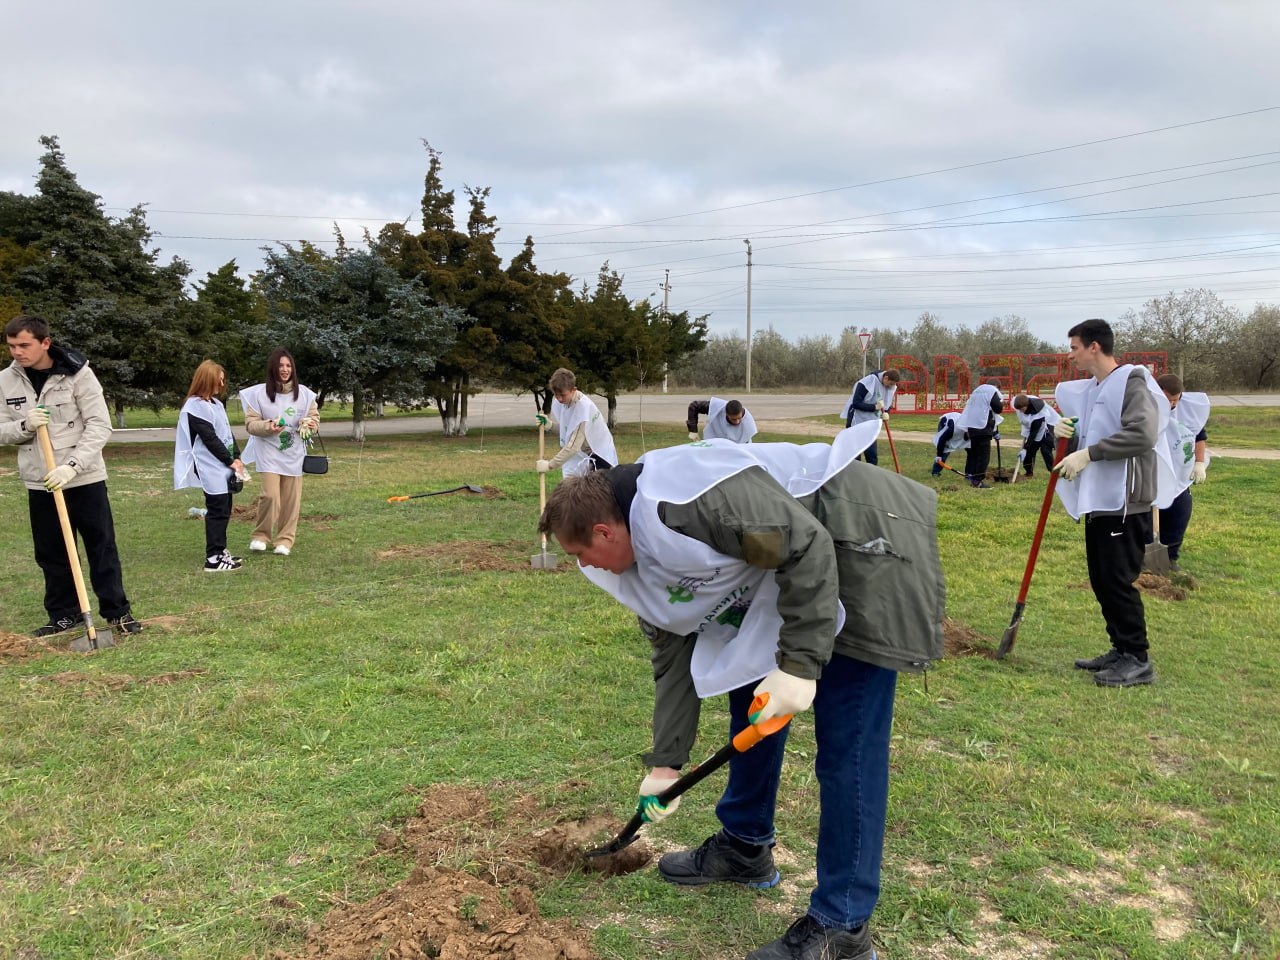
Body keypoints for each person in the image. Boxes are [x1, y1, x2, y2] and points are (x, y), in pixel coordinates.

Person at [539, 424, 944, 960]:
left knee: (849, 743)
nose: (583, 566)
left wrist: (799, 667)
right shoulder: (638, 542)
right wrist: (665, 764)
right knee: (747, 693)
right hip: (786, 565)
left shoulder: (688, 502)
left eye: (581, 553)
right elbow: (672, 648)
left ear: (605, 531)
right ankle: (745, 845)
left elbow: (806, 546)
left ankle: (843, 927)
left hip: (858, 542)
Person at [1, 315, 142, 637]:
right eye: (12, 346)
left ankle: (117, 612)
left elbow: (99, 425)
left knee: (101, 546)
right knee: (51, 552)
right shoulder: (5, 381)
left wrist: (72, 466)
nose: (17, 352)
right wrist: (24, 426)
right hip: (41, 481)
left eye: (24, 345)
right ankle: (64, 614)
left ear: (45, 343)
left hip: (83, 477)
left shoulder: (79, 374)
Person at [1053, 319, 1174, 688]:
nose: (1070, 354)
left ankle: (1138, 658)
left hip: (1125, 499)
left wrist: (1090, 454)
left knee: (1118, 580)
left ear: (1094, 347)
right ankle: (1120, 649)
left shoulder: (1131, 381)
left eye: (1074, 347)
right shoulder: (1092, 388)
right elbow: (1091, 434)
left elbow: (1142, 434)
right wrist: (1067, 437)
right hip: (1099, 499)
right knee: (1102, 578)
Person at [238, 349, 319, 557]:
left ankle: (285, 539)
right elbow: (250, 424)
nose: (285, 370)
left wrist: (308, 424)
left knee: (291, 499)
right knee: (270, 495)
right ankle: (261, 535)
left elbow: (314, 420)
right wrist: (268, 426)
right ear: (273, 368)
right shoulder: (259, 395)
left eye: (288, 366)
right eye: (281, 366)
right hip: (268, 453)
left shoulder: (305, 395)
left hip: (293, 453)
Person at [174, 360, 247, 572]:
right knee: (217, 509)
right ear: (207, 379)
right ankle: (213, 558)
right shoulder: (194, 407)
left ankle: (221, 549)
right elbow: (209, 438)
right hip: (209, 465)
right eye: (218, 379)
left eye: (223, 380)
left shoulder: (215, 404)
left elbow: (226, 432)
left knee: (225, 508)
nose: (221, 384)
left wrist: (237, 456)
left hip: (223, 464)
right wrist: (229, 460)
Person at [1151, 373, 1210, 571]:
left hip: (1179, 472)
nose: (1173, 404)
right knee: (1147, 517)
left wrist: (1199, 463)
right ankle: (1143, 559)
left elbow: (1198, 436)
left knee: (1180, 512)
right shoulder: (1145, 406)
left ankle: (1170, 559)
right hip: (1152, 471)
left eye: (1176, 400)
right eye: (1169, 400)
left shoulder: (1188, 411)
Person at [534, 368, 618, 476]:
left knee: (594, 491)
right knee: (574, 489)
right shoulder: (564, 403)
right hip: (583, 455)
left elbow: (573, 447)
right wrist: (549, 425)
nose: (559, 399)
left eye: (562, 395)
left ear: (573, 389)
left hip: (599, 457)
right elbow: (568, 431)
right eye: (556, 394)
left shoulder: (582, 408)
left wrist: (549, 465)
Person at [840, 369, 898, 465]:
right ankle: (854, 474)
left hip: (871, 423)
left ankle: (872, 475)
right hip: (857, 420)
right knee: (855, 452)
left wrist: (887, 413)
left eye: (893, 385)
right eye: (890, 384)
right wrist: (874, 407)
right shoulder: (869, 381)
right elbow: (856, 403)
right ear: (886, 378)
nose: (891, 387)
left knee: (871, 453)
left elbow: (886, 403)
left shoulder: (890, 387)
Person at [956, 383, 1004, 489]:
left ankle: (972, 476)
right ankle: (977, 481)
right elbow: (998, 408)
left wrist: (995, 431)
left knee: (975, 453)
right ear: (998, 388)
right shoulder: (991, 390)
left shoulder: (977, 392)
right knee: (983, 455)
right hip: (983, 428)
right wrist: (1000, 403)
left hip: (972, 427)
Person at [1011, 393, 1062, 478]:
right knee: (1030, 452)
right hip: (1032, 427)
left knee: (1045, 449)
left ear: (1027, 405)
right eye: (1018, 409)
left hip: (1047, 424)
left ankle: (1054, 473)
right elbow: (1027, 423)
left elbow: (1034, 432)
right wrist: (1027, 449)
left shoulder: (1040, 412)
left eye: (1022, 409)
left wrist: (1025, 448)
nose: (1020, 411)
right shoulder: (1019, 402)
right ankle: (1029, 472)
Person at [686, 397, 757, 443]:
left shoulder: (748, 423)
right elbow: (694, 406)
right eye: (734, 419)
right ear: (726, 414)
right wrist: (693, 432)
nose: (737, 421)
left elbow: (747, 446)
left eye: (739, 418)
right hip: (712, 444)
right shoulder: (718, 408)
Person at [930, 411, 967, 476]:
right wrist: (939, 455)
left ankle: (969, 472)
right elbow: (942, 440)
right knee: (945, 449)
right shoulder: (951, 430)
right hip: (946, 420)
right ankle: (935, 472)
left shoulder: (972, 429)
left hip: (957, 421)